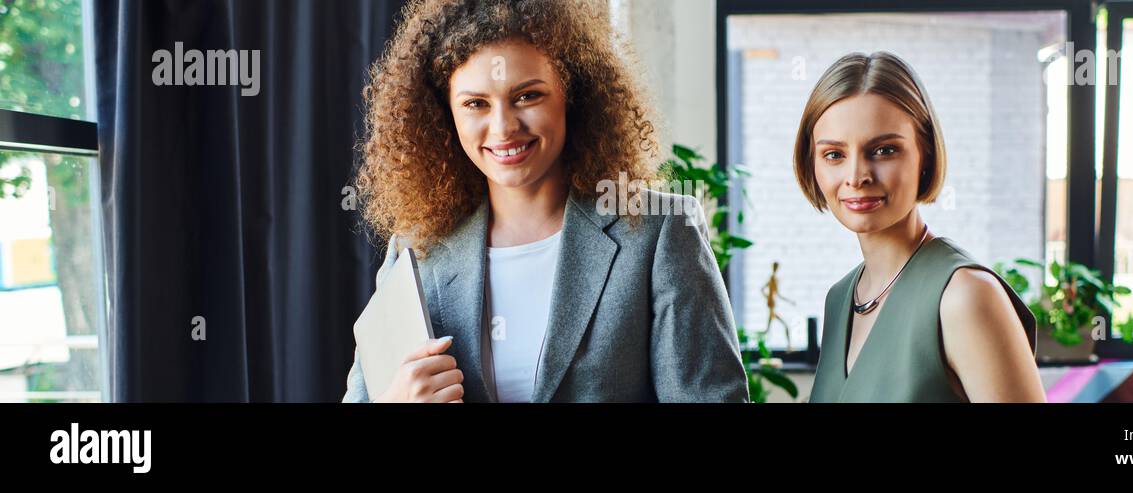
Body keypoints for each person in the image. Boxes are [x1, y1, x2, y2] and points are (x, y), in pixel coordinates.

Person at [343, 0, 747, 403]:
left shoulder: (659, 231)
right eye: (475, 103)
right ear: (444, 114)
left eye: (527, 96)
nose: (503, 127)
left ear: (572, 95)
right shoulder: (415, 250)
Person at [794, 52, 1045, 403]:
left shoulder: (965, 296)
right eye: (834, 154)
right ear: (813, 164)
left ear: (925, 153)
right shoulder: (840, 300)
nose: (856, 177)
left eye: (883, 150)